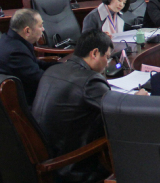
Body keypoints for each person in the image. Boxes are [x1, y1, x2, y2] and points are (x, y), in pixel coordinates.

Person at [31, 31, 115, 183]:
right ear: (95, 53)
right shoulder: (90, 81)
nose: (107, 63)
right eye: (107, 57)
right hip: (72, 166)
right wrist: (137, 98)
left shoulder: (53, 70)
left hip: (47, 161)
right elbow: (118, 112)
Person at [0, 9, 58, 105]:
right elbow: (42, 80)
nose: (43, 29)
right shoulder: (15, 52)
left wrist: (62, 66)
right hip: (15, 105)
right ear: (27, 30)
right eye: (40, 26)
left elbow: (36, 63)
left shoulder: (12, 40)